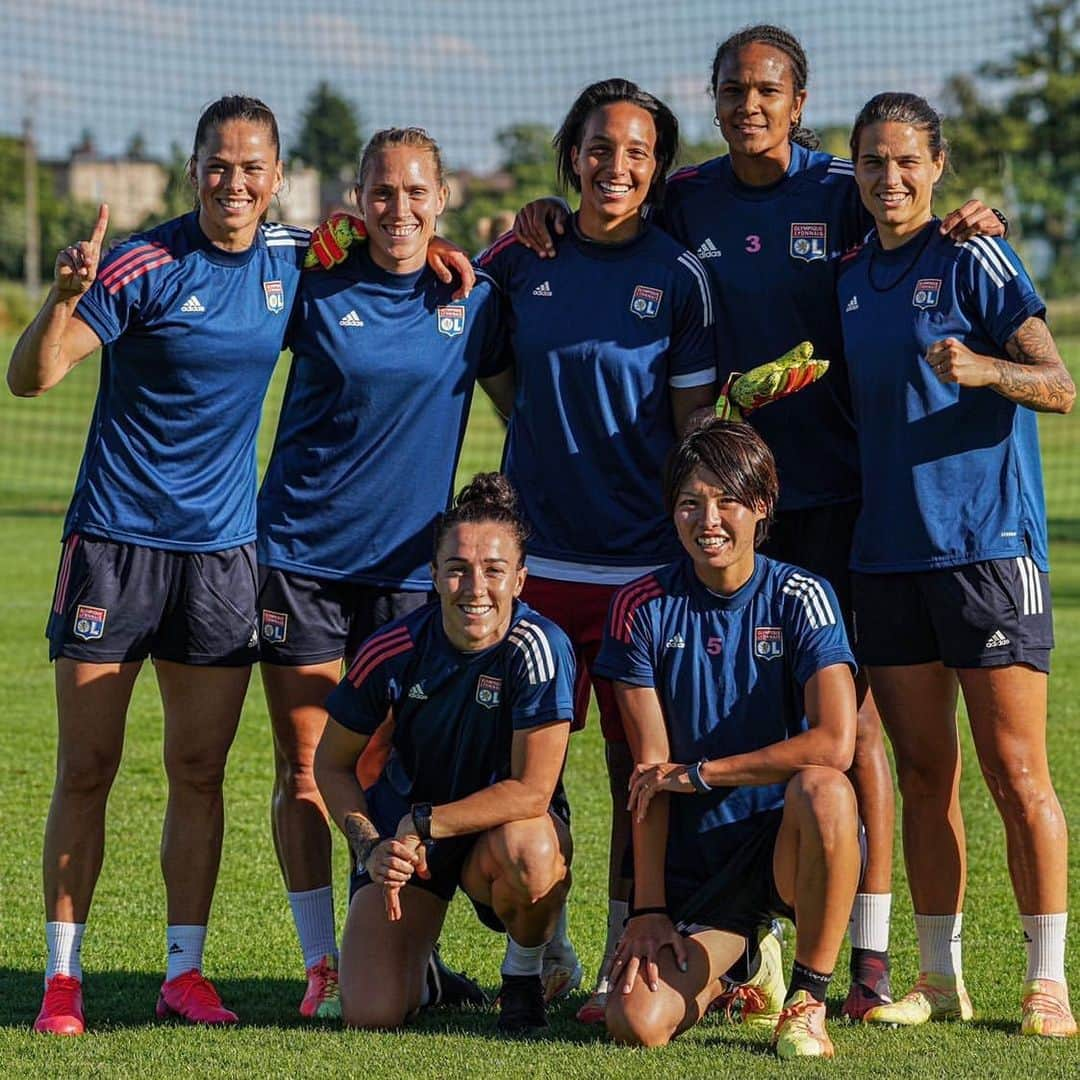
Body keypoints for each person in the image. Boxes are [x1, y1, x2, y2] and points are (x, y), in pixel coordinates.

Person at [512, 25, 1007, 1021]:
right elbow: (586, 228)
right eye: (733, 89)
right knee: (698, 718)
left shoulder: (837, 188)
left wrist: (969, 221)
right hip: (722, 506)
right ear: (713, 97)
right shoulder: (683, 195)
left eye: (768, 91)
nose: (749, 106)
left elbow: (909, 225)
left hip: (839, 500)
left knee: (849, 729)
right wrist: (535, 217)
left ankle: (862, 957)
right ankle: (712, 937)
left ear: (798, 100)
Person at [7, 95, 309, 1034]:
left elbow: (392, 258)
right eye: (219, 164)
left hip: (222, 558)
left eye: (253, 167)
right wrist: (63, 294)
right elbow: (32, 377)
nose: (235, 181)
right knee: (88, 766)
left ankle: (185, 971)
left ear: (276, 177)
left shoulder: (296, 261)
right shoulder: (142, 262)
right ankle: (64, 977)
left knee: (198, 770)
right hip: (113, 548)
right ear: (193, 170)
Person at [477, 77, 718, 1019]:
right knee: (528, 766)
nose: (616, 166)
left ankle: (630, 942)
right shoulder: (518, 257)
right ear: (570, 154)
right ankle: (545, 949)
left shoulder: (678, 275)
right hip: (535, 570)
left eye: (637, 152)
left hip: (638, 571)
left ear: (655, 168)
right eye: (599, 147)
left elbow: (693, 430)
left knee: (636, 772)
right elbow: (493, 363)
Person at [838, 91, 1075, 1038]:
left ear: (937, 167)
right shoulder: (852, 274)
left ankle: (1048, 982)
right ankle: (938, 977)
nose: (889, 179)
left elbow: (1058, 385)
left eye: (906, 162)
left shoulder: (974, 252)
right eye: (872, 163)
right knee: (925, 774)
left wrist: (987, 370)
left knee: (1017, 774)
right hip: (888, 558)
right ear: (853, 171)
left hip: (988, 551)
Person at [256, 127, 506, 1018]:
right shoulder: (314, 282)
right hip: (303, 563)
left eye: (415, 194)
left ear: (442, 201)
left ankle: (413, 962)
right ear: (357, 199)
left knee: (400, 773)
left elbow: (523, 410)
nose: (398, 210)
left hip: (412, 578)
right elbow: (247, 274)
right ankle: (322, 961)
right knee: (306, 766)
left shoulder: (475, 300)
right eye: (381, 193)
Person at [594, 419, 859, 1059]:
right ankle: (740, 965)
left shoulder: (803, 596)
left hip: (782, 847)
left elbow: (834, 744)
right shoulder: (641, 606)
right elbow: (651, 774)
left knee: (825, 791)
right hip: (701, 869)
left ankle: (807, 998)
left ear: (761, 507)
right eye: (690, 502)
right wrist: (648, 909)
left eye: (727, 500)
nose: (708, 519)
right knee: (637, 1024)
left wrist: (707, 772)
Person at [313, 473, 575, 1032]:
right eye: (456, 569)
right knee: (373, 1014)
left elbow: (533, 790)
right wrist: (371, 847)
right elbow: (329, 764)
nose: (474, 587)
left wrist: (425, 821)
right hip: (410, 846)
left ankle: (522, 975)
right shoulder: (392, 649)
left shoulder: (543, 648)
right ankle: (426, 975)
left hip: (496, 835)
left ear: (520, 579)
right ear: (433, 576)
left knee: (530, 852)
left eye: (493, 571)